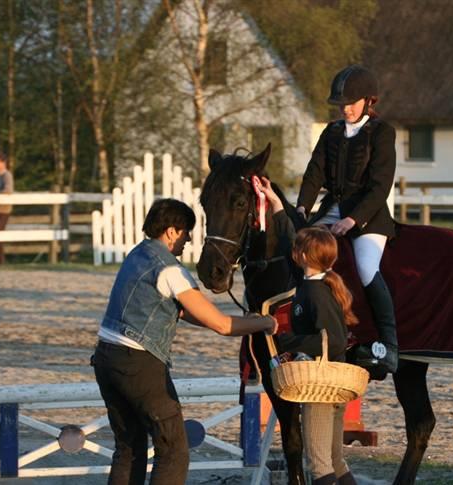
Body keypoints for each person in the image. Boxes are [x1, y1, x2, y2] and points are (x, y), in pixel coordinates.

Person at [93, 198, 277, 485]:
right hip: (138, 364)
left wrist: (248, 320)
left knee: (129, 448)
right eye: (186, 231)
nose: (190, 238)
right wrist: (266, 323)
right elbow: (221, 325)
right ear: (170, 231)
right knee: (174, 451)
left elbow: (182, 310)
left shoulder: (138, 254)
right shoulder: (170, 270)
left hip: (106, 358)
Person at [295, 65, 398, 375]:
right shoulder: (332, 131)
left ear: (369, 101)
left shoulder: (382, 133)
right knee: (298, 253)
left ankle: (390, 346)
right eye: (341, 103)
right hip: (332, 210)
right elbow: (315, 172)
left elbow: (381, 185)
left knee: (366, 268)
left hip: (369, 216)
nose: (345, 108)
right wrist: (302, 207)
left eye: (351, 102)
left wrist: (353, 220)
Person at [259, 178, 358, 485]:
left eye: (297, 249)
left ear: (303, 256)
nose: (293, 251)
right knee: (335, 461)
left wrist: (288, 340)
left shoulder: (316, 294)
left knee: (319, 465)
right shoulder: (314, 283)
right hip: (330, 380)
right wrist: (275, 203)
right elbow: (290, 237)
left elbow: (334, 339)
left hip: (321, 385)